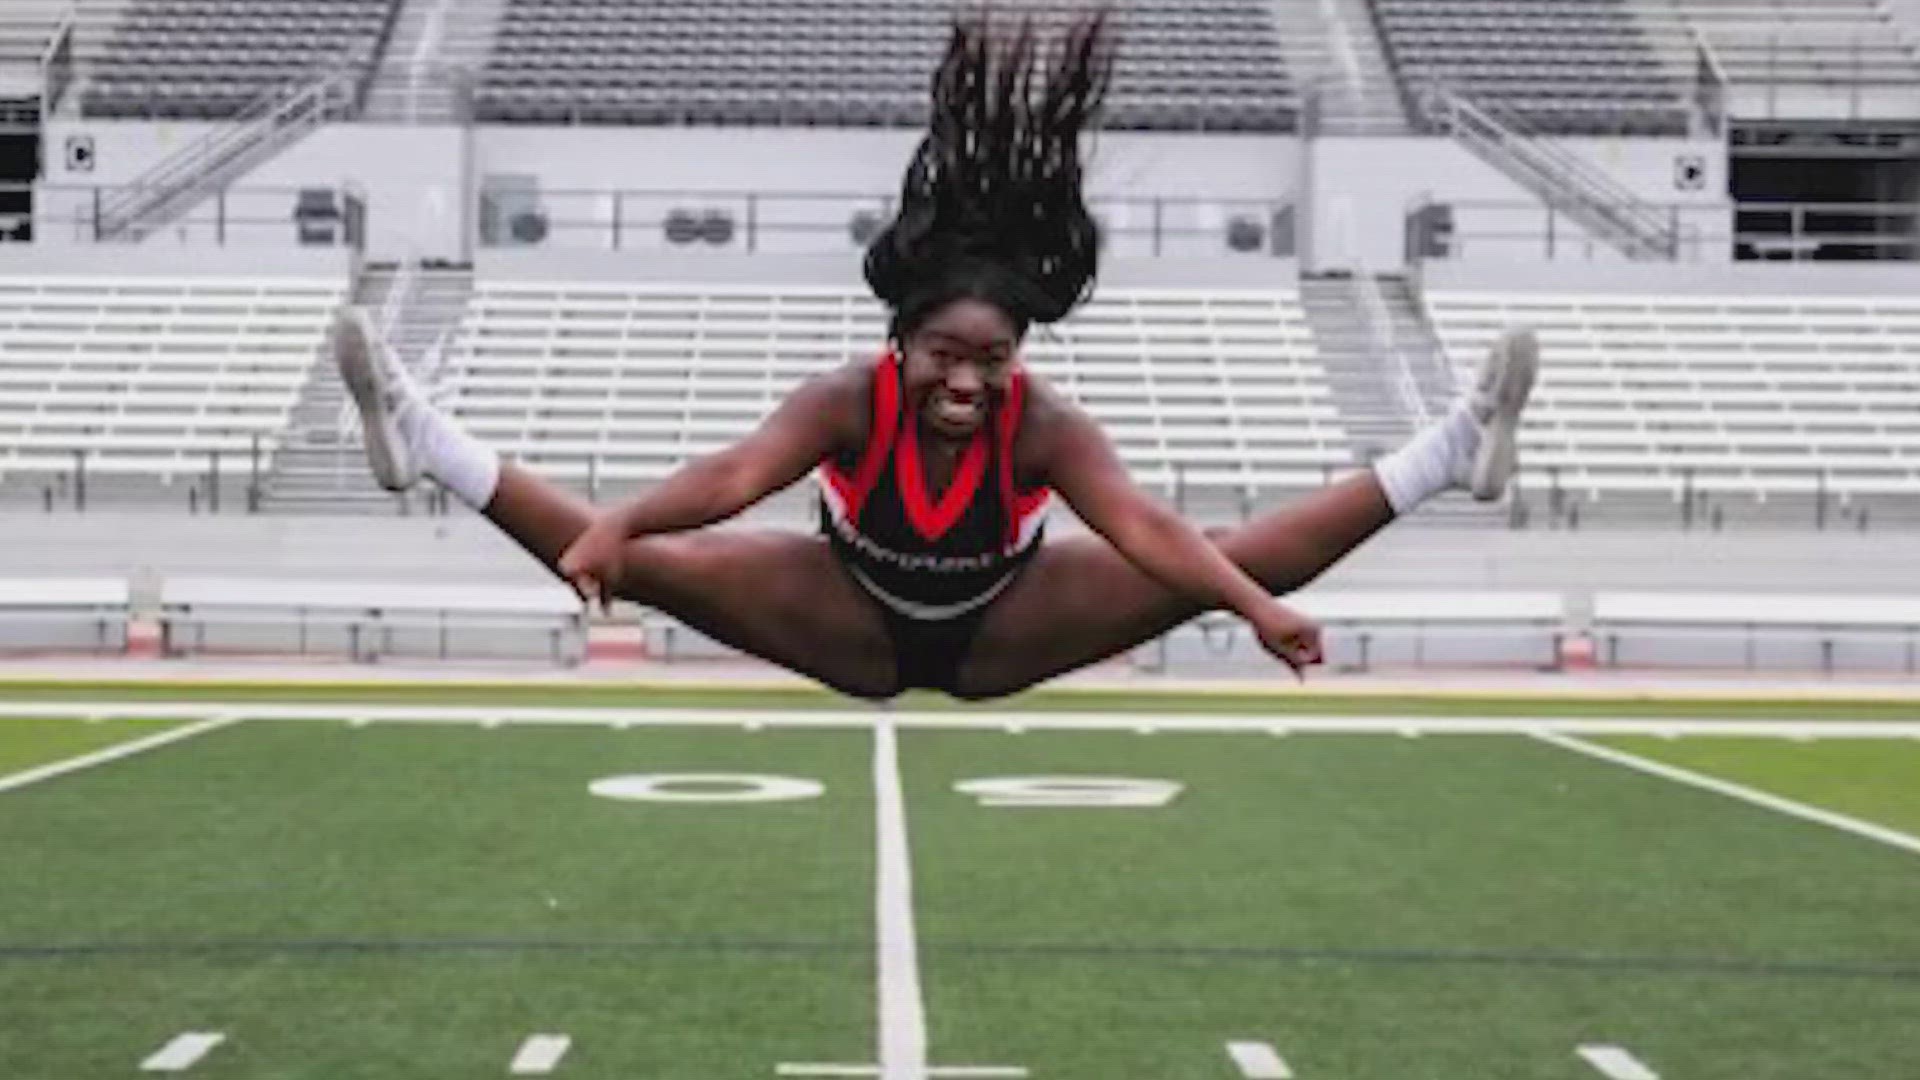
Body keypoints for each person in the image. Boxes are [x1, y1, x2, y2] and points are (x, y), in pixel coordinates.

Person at [333, 11, 1536, 701]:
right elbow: (732, 479)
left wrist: (1256, 608)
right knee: (642, 557)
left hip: (1005, 625)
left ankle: (1452, 449)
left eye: (991, 359)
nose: (966, 382)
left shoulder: (1045, 425)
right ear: (898, 338)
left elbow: (1147, 531)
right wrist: (618, 525)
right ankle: (416, 430)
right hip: (847, 615)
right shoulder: (848, 398)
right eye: (945, 355)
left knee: (1215, 561)